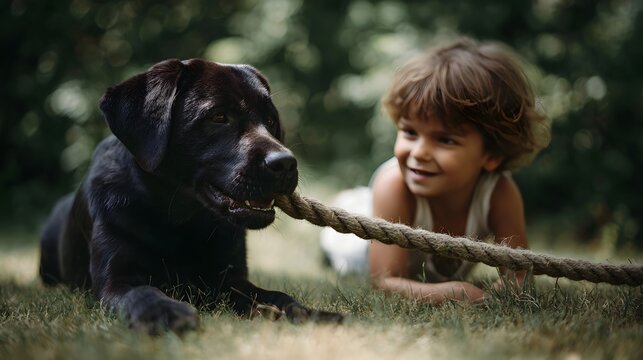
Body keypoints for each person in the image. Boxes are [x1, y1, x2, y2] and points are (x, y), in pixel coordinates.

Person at [320, 37, 550, 304]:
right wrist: (452, 293)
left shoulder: (498, 192)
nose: (419, 152)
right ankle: (349, 202)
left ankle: (358, 199)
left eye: (445, 140)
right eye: (409, 132)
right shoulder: (395, 184)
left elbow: (520, 276)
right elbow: (383, 281)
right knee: (341, 238)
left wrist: (494, 296)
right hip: (357, 251)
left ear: (491, 155)